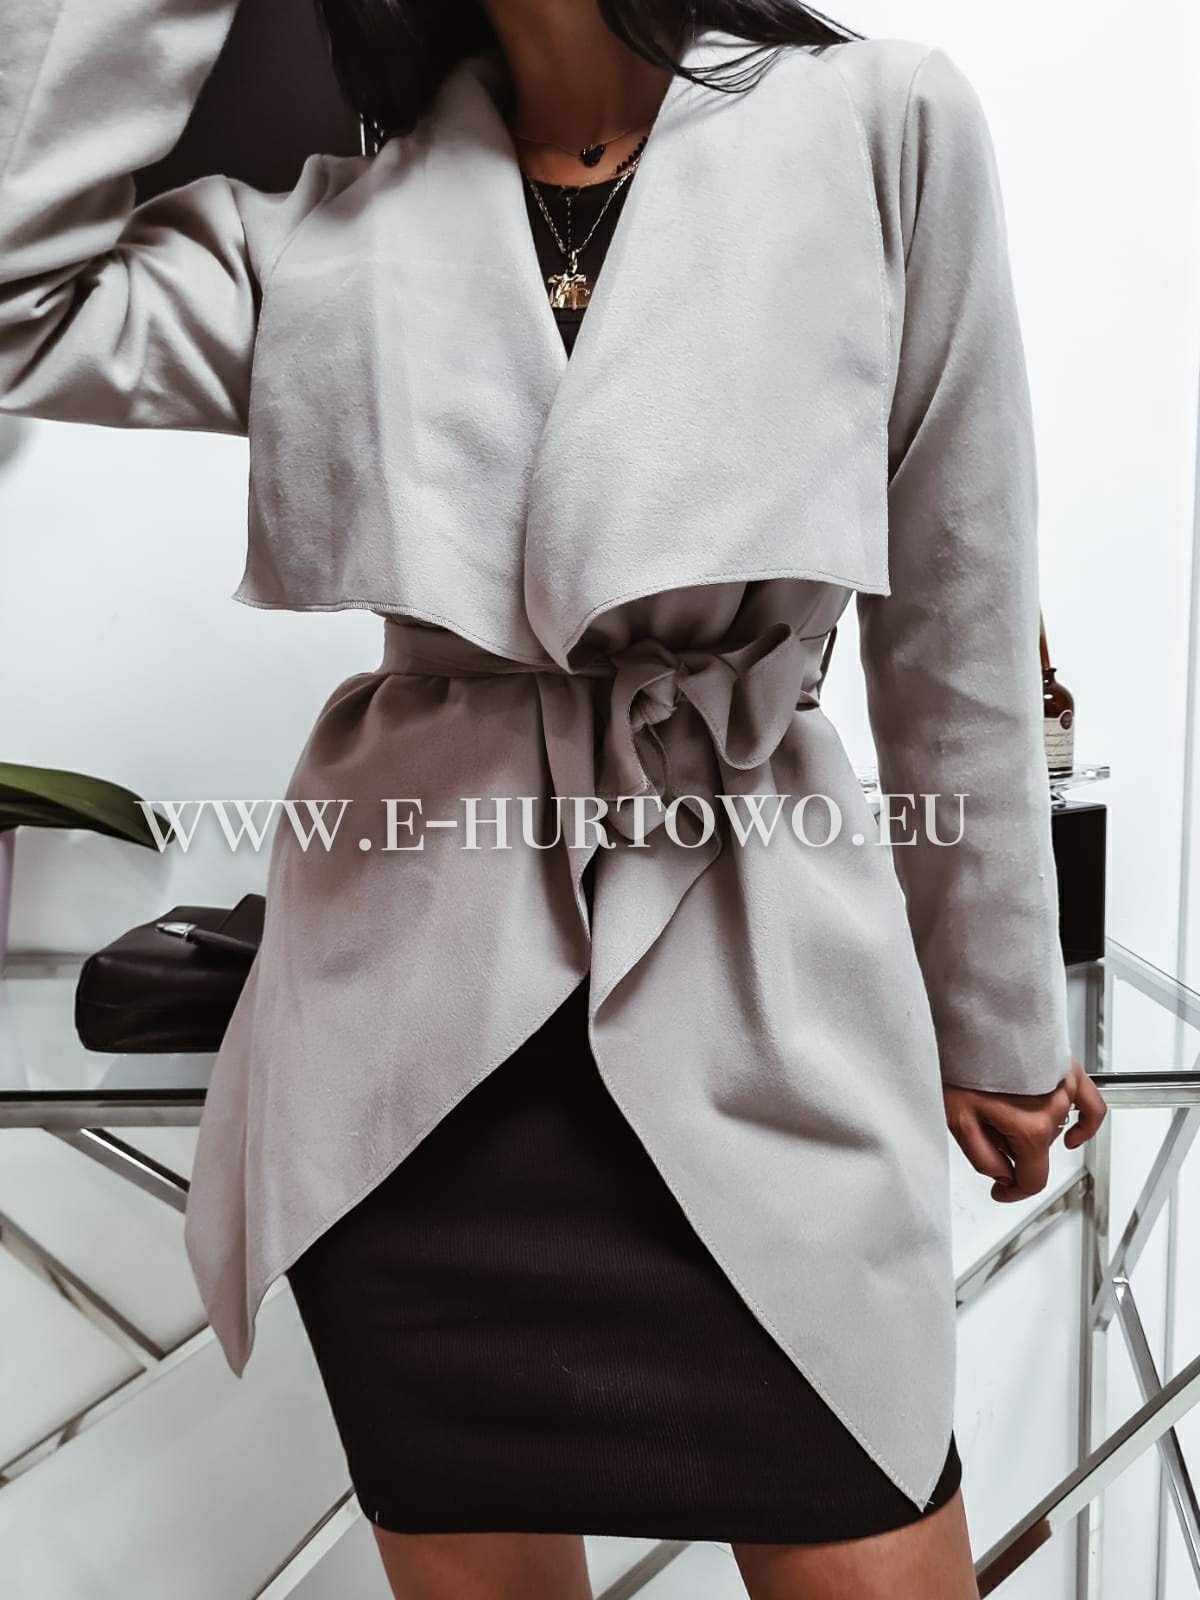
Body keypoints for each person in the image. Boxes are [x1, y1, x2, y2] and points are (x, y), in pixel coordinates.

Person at [0, 1, 1108, 1596]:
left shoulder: (880, 123)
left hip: (765, 1026)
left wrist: (997, 1016)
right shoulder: (326, 225)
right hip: (410, 1087)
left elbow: (960, 595)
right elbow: (22, 303)